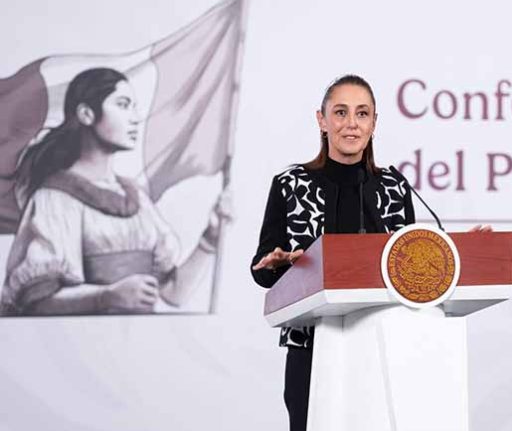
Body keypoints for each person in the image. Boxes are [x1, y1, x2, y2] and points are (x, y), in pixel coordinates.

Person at [250, 74, 416, 431]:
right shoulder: (290, 185)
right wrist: (278, 263)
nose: (351, 123)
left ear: (374, 123)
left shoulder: (394, 187)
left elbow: (408, 270)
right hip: (311, 345)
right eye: (340, 112)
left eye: (362, 113)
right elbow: (261, 270)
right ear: (322, 121)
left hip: (381, 343)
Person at [1, 67, 230, 316]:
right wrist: (106, 296)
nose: (135, 118)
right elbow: (37, 302)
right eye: (123, 105)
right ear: (86, 114)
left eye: (134, 107)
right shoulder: (54, 198)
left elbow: (173, 293)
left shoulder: (136, 198)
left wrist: (210, 239)